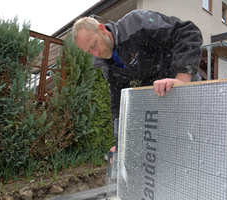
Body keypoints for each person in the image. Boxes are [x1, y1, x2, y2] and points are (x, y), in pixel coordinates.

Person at [72, 9, 203, 149]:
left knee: (194, 143)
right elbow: (118, 101)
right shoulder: (108, 66)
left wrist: (181, 79)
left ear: (102, 29)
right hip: (160, 96)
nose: (96, 53)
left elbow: (187, 32)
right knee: (171, 149)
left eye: (93, 45)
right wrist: (120, 142)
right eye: (89, 51)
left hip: (184, 85)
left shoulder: (135, 22)